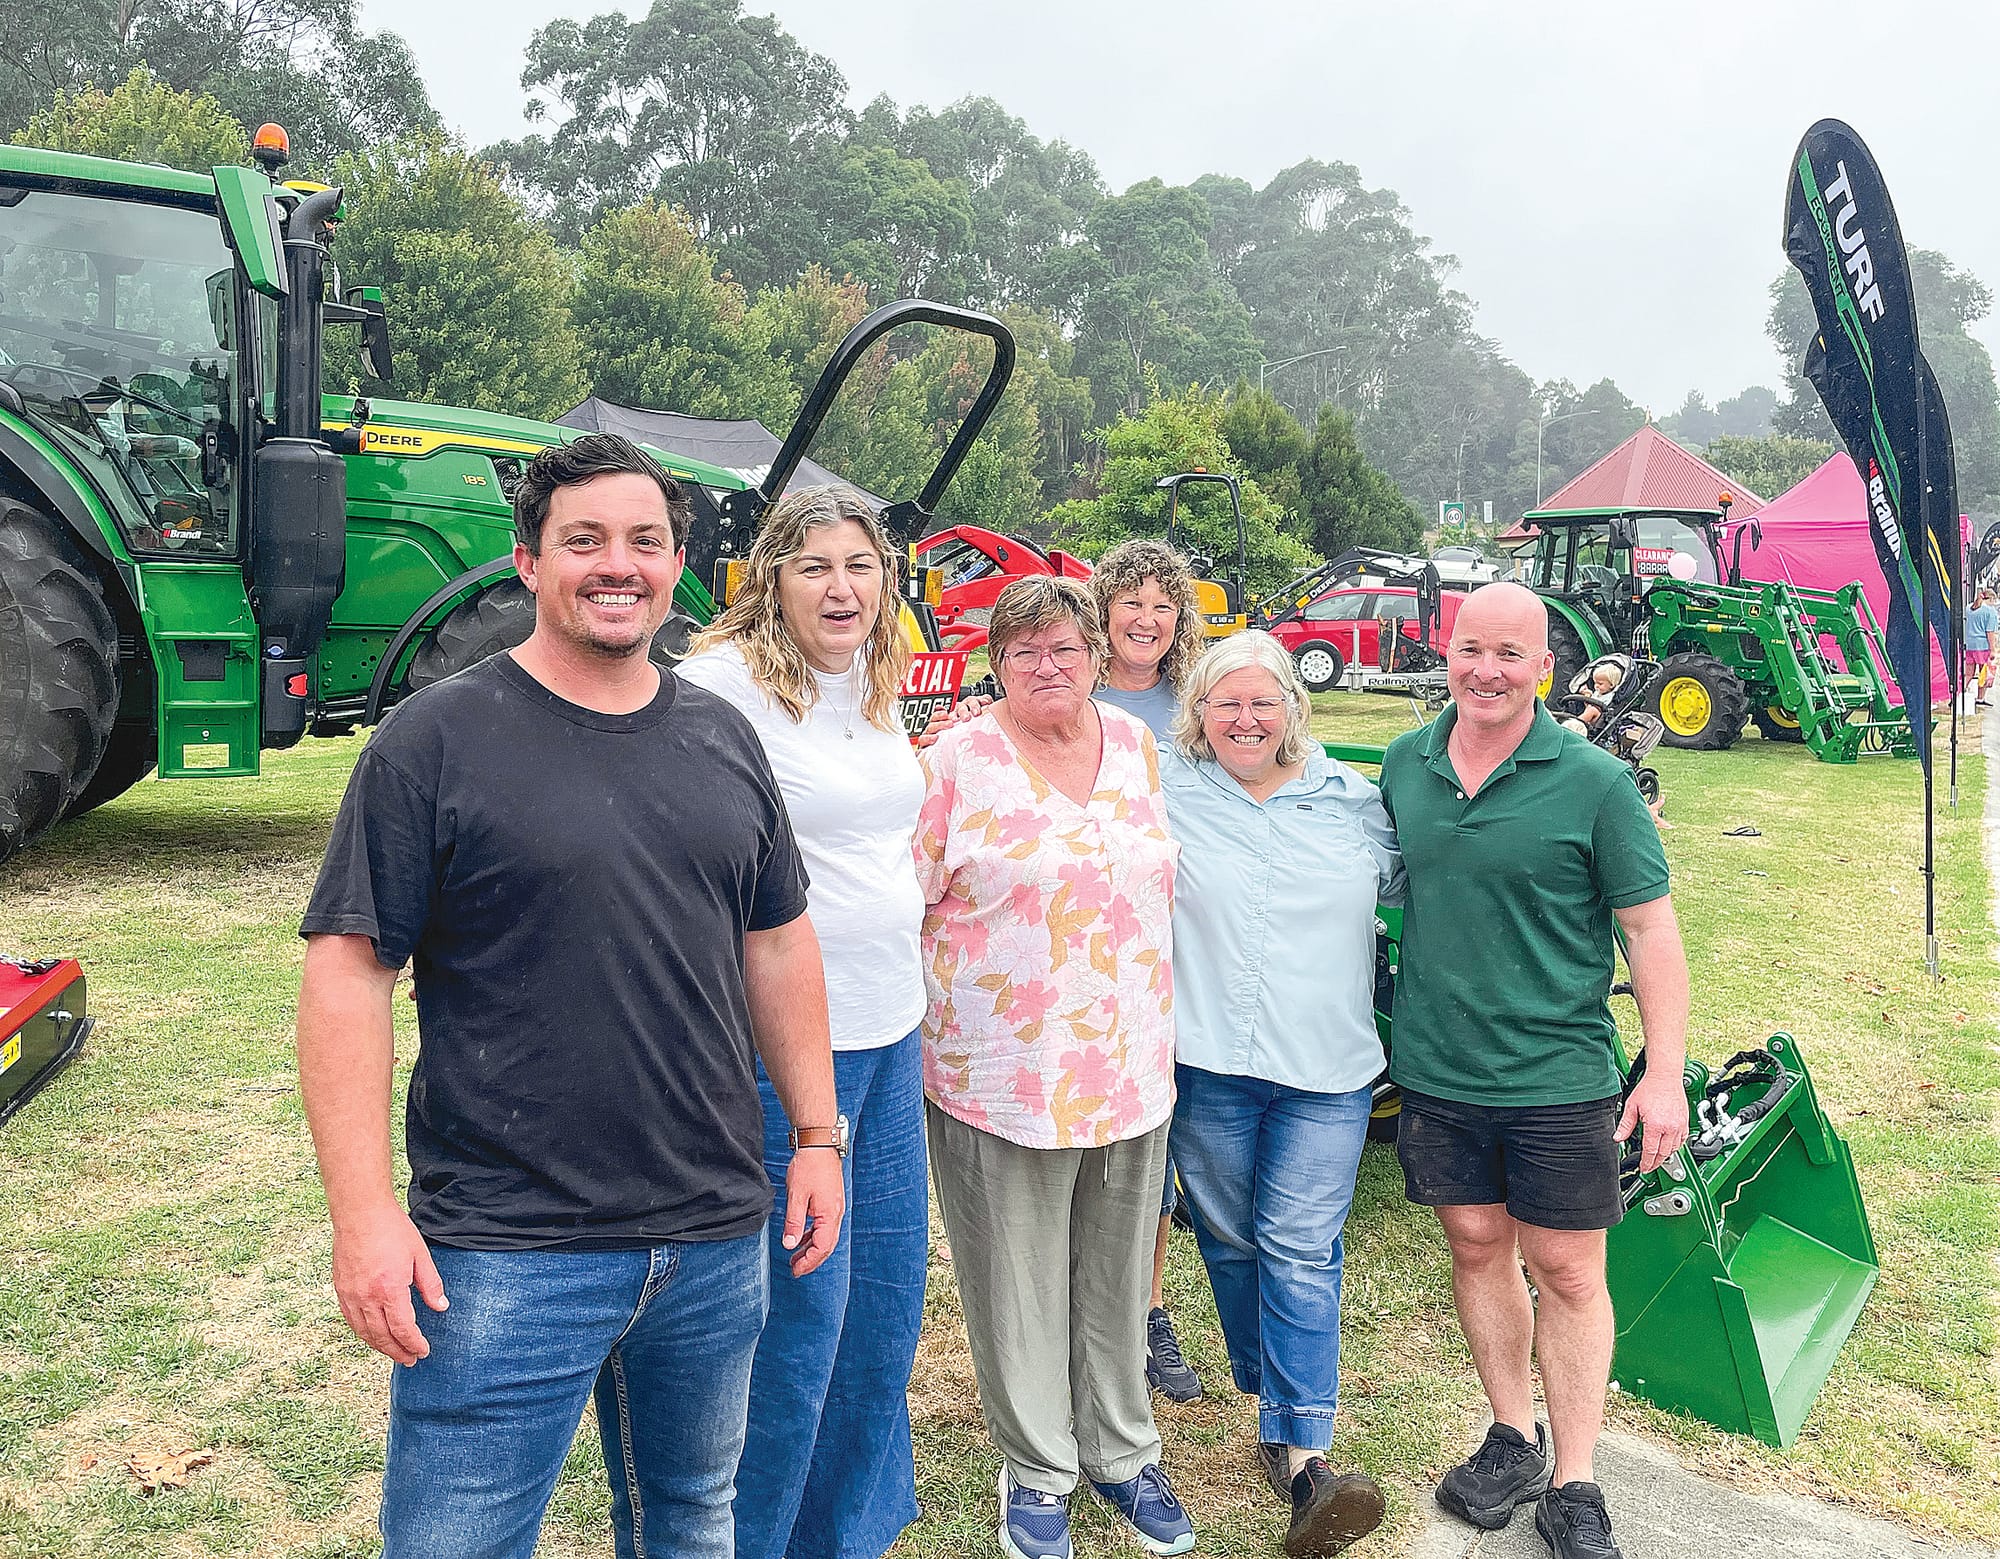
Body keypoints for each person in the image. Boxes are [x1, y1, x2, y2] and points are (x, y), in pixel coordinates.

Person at [294, 433, 845, 1559]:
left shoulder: (719, 733)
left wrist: (818, 1135)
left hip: (710, 1230)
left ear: (678, 560)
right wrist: (362, 1215)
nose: (617, 564)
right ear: (527, 560)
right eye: (582, 538)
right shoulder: (433, 740)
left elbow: (779, 941)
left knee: (691, 1520)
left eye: (645, 540)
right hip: (504, 1248)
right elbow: (348, 973)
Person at [1377, 582, 1689, 1559]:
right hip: (1436, 1068)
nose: (1487, 669)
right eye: (1472, 648)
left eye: (1511, 653)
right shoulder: (1402, 764)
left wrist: (1666, 1070)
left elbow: (1648, 929)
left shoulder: (1592, 781)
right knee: (1474, 1244)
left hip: (1557, 1072)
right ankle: (1512, 1433)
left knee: (1564, 1266)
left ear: (1543, 667)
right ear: (1445, 648)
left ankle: (1576, 1478)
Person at [916, 574, 1193, 1559]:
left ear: (1094, 655)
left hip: (1127, 1066)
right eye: (1025, 648)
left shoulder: (1133, 742)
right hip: (1002, 1075)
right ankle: (1036, 1468)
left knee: (1117, 1278)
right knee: (1018, 1283)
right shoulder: (954, 758)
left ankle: (1121, 1451)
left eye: (1065, 647)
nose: (1048, 664)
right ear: (995, 659)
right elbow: (903, 899)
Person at [677, 485, 928, 1559]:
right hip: (787, 1054)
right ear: (768, 579)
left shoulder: (870, 679)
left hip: (891, 1033)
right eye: (814, 564)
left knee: (879, 1310)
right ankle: (755, 1536)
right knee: (793, 1323)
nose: (842, 585)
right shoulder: (718, 688)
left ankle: (845, 1532)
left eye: (860, 565)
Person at [1159, 631, 1398, 1559]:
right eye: (1227, 704)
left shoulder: (1355, 804)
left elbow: (1433, 876)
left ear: (1294, 709)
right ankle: (1275, 1403)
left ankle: (1308, 1459)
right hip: (1208, 1061)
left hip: (1327, 1070)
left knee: (1299, 1243)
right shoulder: (1166, 789)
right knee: (1227, 1237)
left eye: (1264, 702)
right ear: (1201, 714)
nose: (1246, 719)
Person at [1965, 588, 1997, 705]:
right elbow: (1990, 632)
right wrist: (1993, 649)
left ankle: (1958, 695)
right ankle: (1980, 698)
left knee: (1968, 673)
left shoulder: (1969, 608)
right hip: (1983, 645)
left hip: (1969, 644)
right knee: (1984, 672)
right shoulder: (1991, 612)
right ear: (1991, 599)